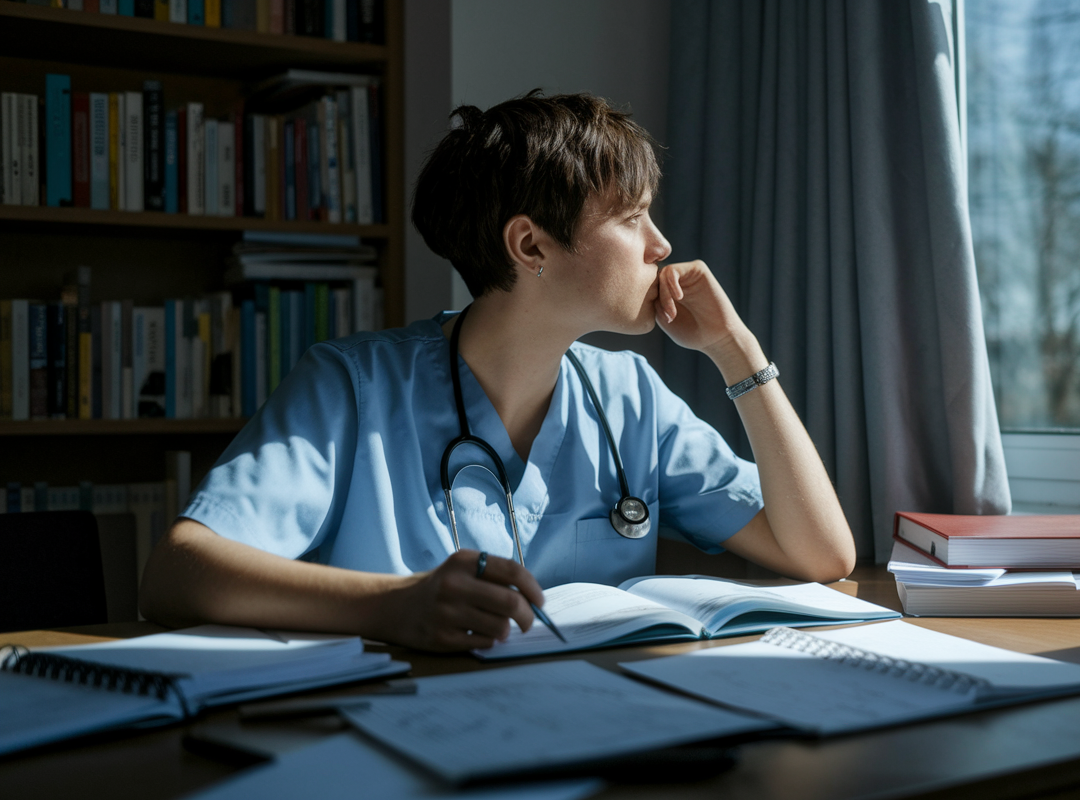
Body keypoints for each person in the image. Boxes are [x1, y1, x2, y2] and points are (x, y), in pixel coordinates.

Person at [139, 92, 856, 652]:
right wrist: (394, 606)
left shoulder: (630, 398)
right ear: (530, 244)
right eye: (632, 218)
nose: (661, 245)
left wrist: (738, 352)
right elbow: (176, 574)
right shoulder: (352, 386)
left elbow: (821, 554)